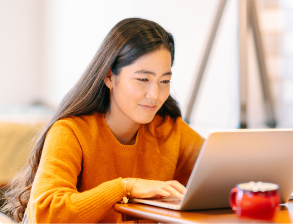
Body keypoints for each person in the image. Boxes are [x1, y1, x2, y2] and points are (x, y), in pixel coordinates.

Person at [2, 18, 204, 223]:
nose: (155, 94)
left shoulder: (170, 130)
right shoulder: (70, 131)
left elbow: (224, 172)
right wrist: (125, 186)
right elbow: (47, 214)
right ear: (109, 76)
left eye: (164, 81)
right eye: (143, 79)